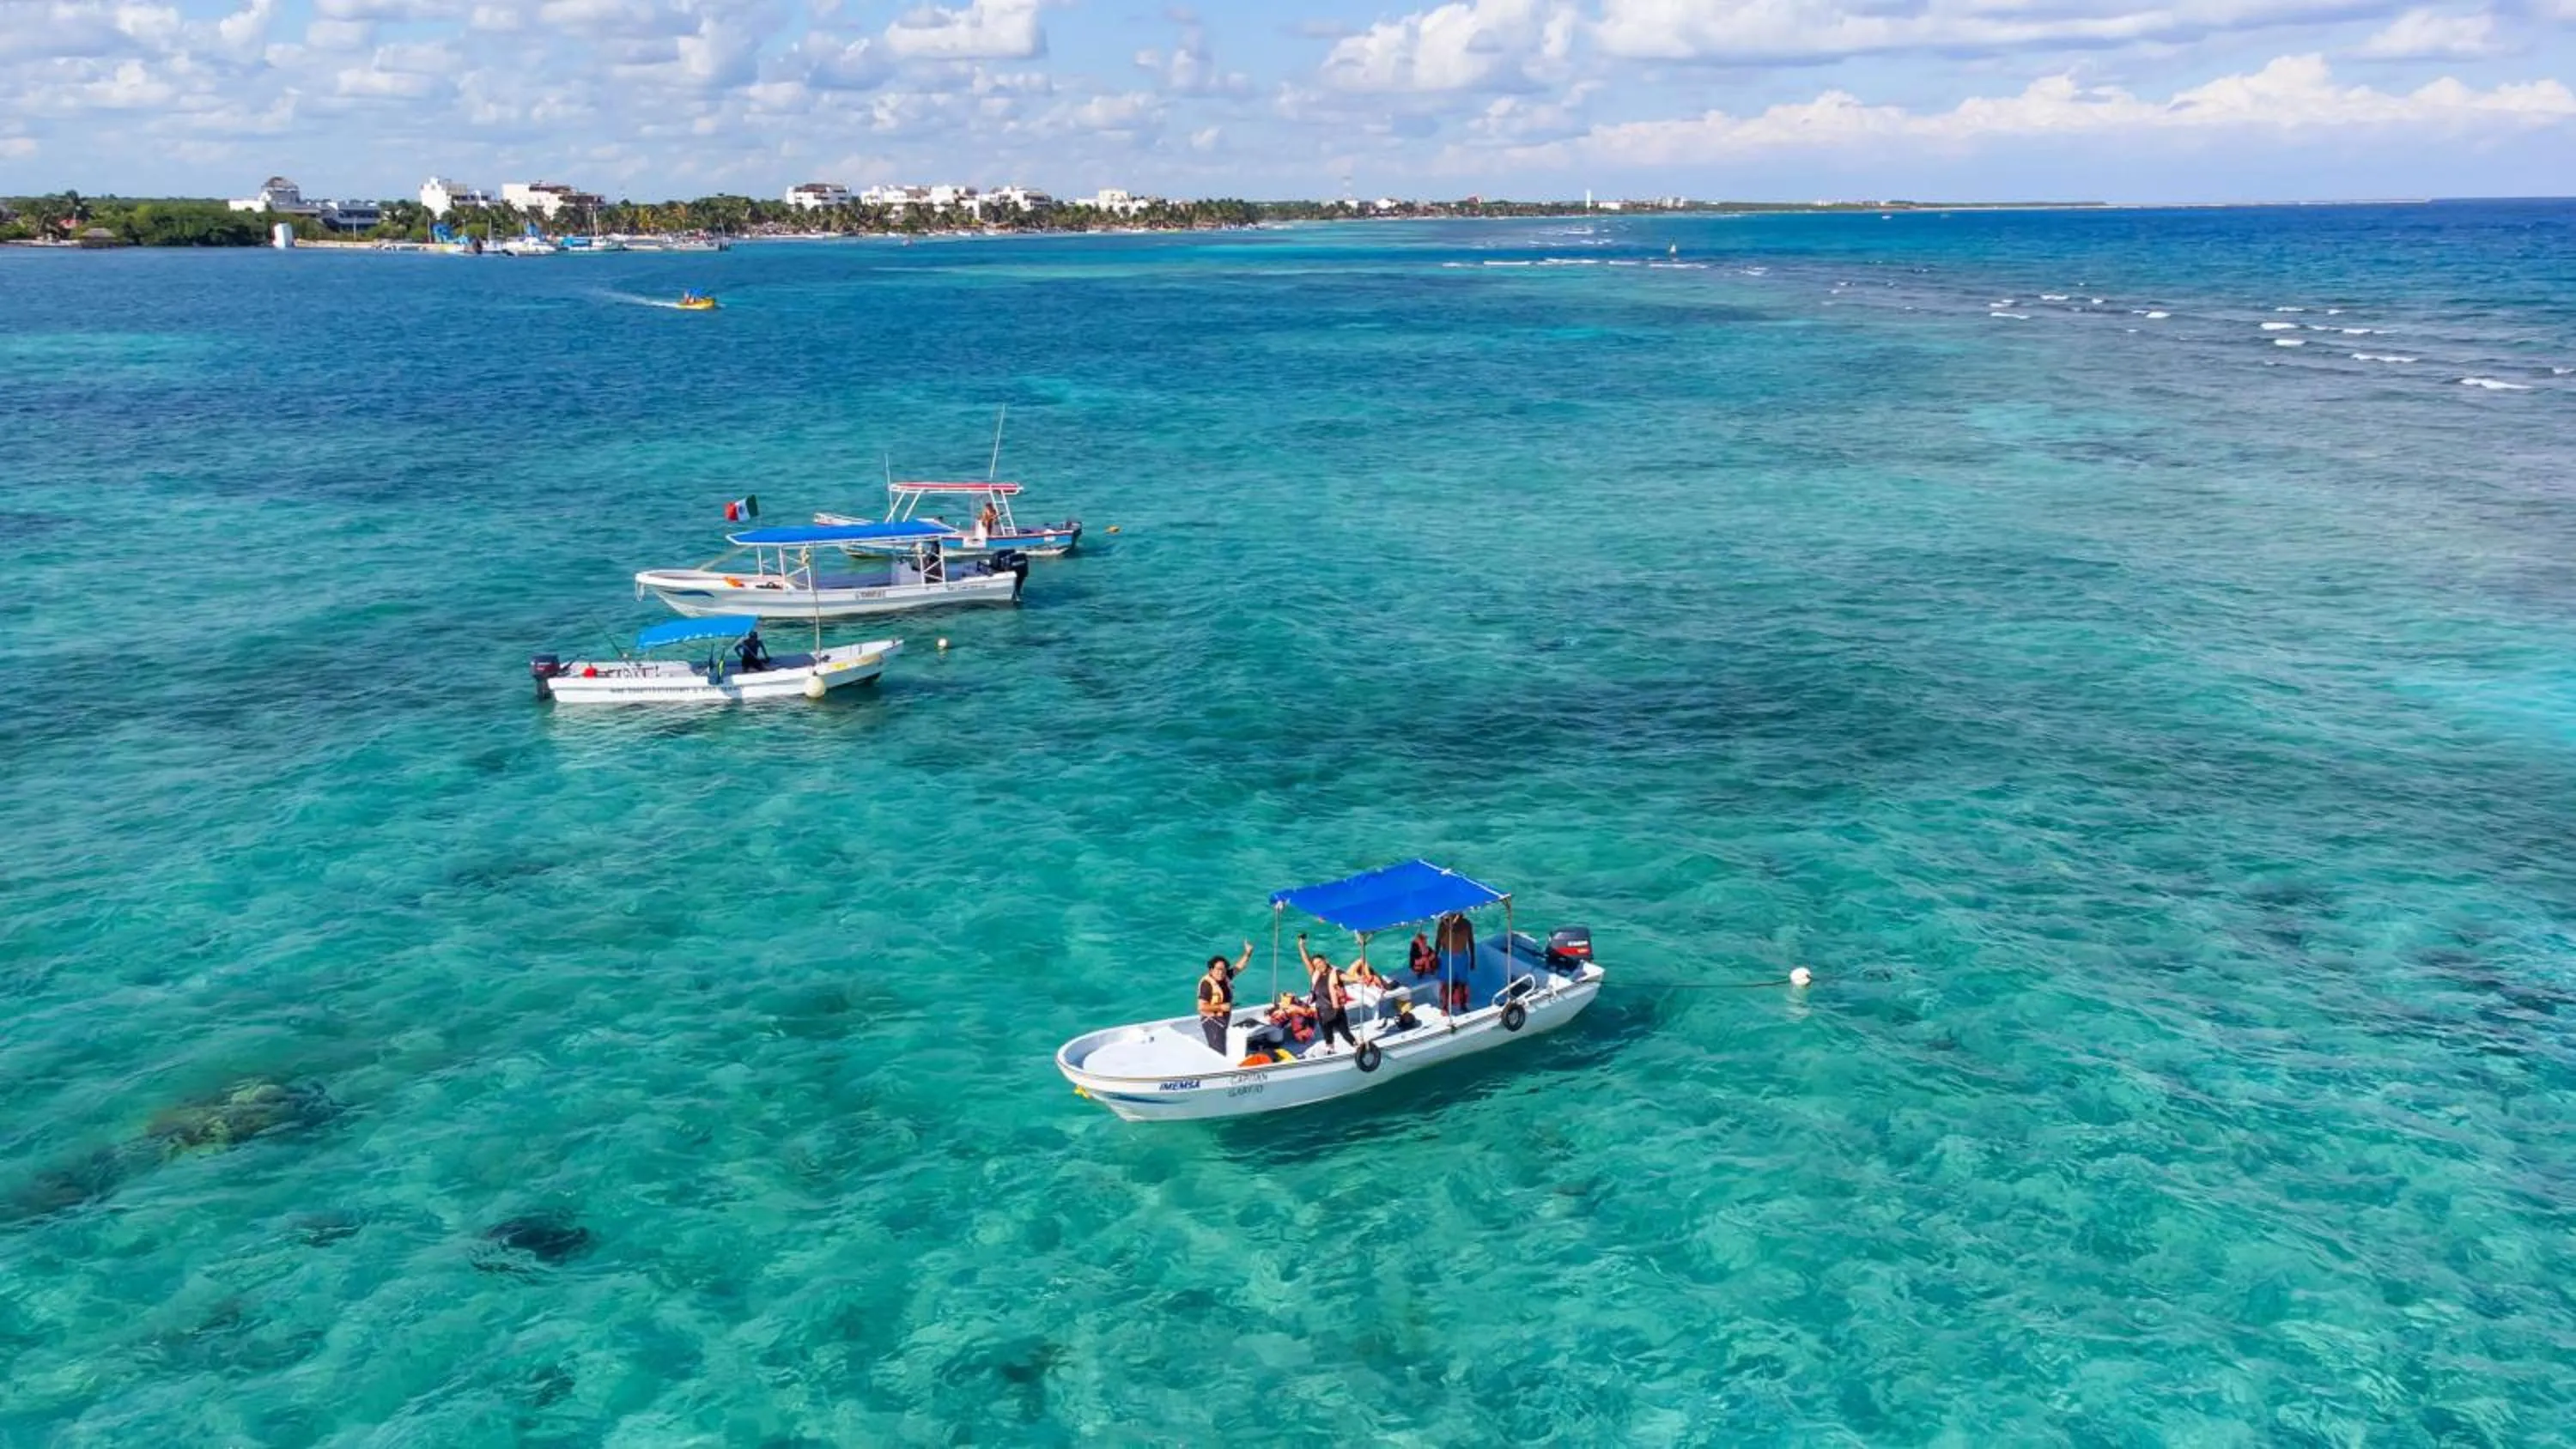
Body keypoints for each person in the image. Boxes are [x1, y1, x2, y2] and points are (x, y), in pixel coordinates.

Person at [1197, 940, 1252, 1055]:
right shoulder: (1207, 984)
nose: (1221, 972)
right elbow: (1201, 1007)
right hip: (1212, 1021)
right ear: (1211, 970)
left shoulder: (1225, 977)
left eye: (1223, 969)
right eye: (1218, 969)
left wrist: (1248, 953)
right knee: (1218, 1052)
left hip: (1223, 1020)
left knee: (1222, 1047)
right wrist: (1222, 1007)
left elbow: (1239, 967)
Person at [1309, 947, 1359, 1054]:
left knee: (1345, 1033)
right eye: (1315, 964)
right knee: (1327, 1035)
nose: (1318, 965)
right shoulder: (1315, 974)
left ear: (1326, 961)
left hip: (1336, 1012)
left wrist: (1357, 979)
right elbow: (1306, 960)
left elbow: (1345, 977)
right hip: (1322, 1012)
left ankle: (1360, 1048)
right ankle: (1330, 1051)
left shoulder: (1336, 972)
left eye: (1320, 962)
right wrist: (1301, 946)